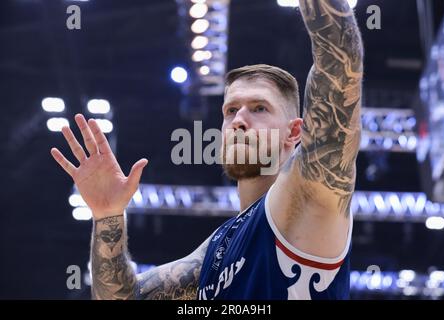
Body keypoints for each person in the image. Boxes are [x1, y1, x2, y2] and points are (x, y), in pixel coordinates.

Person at [51, 0, 363, 300]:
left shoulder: (309, 194)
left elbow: (340, 61)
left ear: (294, 132)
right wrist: (107, 215)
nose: (239, 120)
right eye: (231, 111)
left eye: (259, 108)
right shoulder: (217, 250)